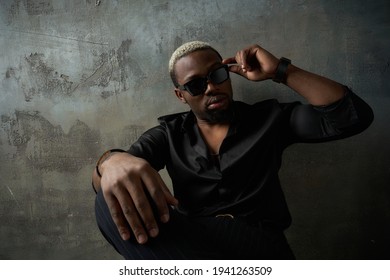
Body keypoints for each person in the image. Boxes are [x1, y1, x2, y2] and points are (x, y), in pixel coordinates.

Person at [92, 41, 373, 259]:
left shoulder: (269, 118)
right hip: (194, 241)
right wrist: (110, 162)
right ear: (181, 95)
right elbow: (109, 180)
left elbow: (353, 116)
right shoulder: (169, 134)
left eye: (217, 74)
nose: (212, 87)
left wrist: (281, 71)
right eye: (195, 84)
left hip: (258, 242)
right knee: (107, 197)